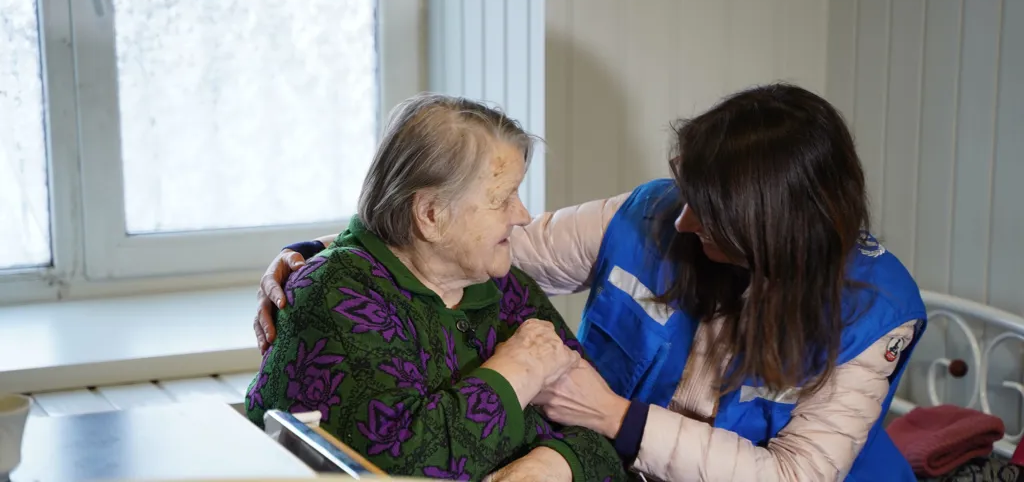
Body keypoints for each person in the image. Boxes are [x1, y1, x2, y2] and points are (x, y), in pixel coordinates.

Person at [255, 84, 927, 481]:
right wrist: (323, 255)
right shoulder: (651, 216)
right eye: (688, 192)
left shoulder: (877, 312)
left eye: (710, 212)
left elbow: (795, 475)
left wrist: (606, 424)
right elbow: (466, 239)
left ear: (767, 231)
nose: (683, 217)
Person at [244, 93, 627, 482]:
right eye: (502, 198)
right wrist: (519, 370)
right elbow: (404, 464)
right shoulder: (336, 295)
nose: (524, 215)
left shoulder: (505, 287)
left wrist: (554, 463)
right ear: (430, 215)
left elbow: (599, 432)